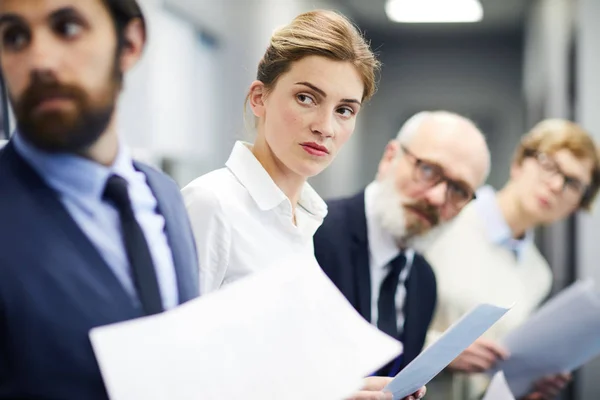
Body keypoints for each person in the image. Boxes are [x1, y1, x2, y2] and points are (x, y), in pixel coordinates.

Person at [182, 10, 424, 400]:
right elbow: (173, 373)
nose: (326, 126)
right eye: (306, 98)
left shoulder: (304, 221)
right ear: (259, 98)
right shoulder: (211, 204)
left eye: (345, 110)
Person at [0, 0, 199, 398]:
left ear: (129, 43)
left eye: (68, 28)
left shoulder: (165, 196)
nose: (39, 60)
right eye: (15, 37)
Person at [424, 119, 600, 400]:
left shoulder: (538, 273)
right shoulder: (446, 219)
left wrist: (527, 384)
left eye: (573, 183)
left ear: (577, 206)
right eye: (549, 165)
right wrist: (442, 353)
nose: (556, 185)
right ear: (519, 163)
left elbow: (496, 367)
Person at [313, 111, 491, 378]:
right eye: (428, 170)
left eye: (459, 191)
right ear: (390, 157)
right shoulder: (315, 234)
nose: (436, 198)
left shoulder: (424, 281)